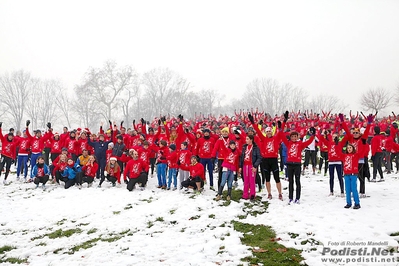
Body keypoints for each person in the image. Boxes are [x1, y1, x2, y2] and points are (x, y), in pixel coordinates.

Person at [280, 111, 316, 204]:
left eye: (295, 136)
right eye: (292, 137)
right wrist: (284, 122)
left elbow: (308, 142)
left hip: (297, 165)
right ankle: (290, 198)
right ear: (290, 137)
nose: (294, 138)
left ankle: (298, 198)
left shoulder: (300, 144)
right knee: (290, 182)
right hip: (289, 164)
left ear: (297, 137)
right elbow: (281, 134)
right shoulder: (288, 143)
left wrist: (313, 135)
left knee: (297, 181)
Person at [248, 113, 283, 200]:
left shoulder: (275, 138)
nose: (268, 133)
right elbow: (257, 130)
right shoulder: (263, 138)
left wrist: (281, 124)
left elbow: (280, 132)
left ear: (272, 132)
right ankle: (269, 193)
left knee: (277, 178)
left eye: (269, 131)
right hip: (265, 160)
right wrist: (252, 122)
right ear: (265, 132)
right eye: (267, 131)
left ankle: (280, 193)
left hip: (274, 160)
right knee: (267, 179)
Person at [239, 135, 262, 201]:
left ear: (251, 140)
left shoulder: (256, 148)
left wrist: (255, 166)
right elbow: (242, 157)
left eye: (247, 139)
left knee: (252, 180)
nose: (246, 140)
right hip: (245, 165)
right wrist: (240, 166)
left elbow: (259, 157)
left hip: (252, 166)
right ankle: (245, 194)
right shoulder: (244, 147)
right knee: (246, 180)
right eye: (246, 139)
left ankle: (252, 194)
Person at [341, 143, 361, 209]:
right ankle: (348, 203)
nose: (349, 149)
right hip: (346, 174)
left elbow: (362, 149)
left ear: (353, 148)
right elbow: (338, 151)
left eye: (350, 148)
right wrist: (337, 143)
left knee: (354, 189)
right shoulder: (344, 156)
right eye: (348, 148)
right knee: (347, 189)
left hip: (353, 174)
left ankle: (357, 203)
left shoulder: (356, 155)